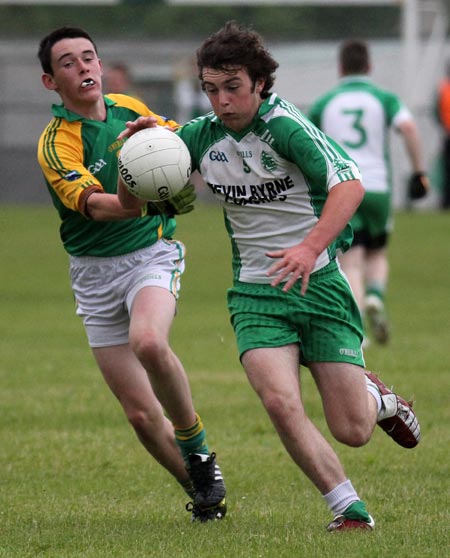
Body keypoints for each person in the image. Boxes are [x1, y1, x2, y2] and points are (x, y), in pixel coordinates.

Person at [118, 21, 421, 532]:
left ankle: (379, 399)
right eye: (211, 89)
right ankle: (348, 509)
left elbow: (349, 185)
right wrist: (137, 162)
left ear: (260, 83)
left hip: (320, 284)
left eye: (233, 87)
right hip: (256, 294)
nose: (222, 101)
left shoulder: (287, 128)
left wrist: (308, 247)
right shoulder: (199, 137)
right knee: (280, 401)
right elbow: (132, 204)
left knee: (352, 429)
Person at [36, 26, 226, 523]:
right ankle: (203, 491)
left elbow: (173, 146)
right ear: (50, 82)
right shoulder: (56, 144)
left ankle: (198, 447)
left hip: (150, 255)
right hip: (94, 277)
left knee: (148, 341)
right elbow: (100, 208)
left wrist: (166, 157)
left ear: (100, 65)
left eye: (89, 58)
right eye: (68, 63)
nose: (83, 68)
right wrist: (132, 188)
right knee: (141, 416)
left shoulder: (127, 108)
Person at [309, 39, 429, 345]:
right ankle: (375, 295)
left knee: (351, 260)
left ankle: (358, 322)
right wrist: (419, 172)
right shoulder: (384, 98)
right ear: (369, 66)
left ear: (340, 67)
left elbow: (306, 142)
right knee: (378, 251)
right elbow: (410, 128)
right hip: (377, 187)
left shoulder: (324, 102)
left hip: (341, 187)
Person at [435, 61, 450, 209]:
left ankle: (445, 201)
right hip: (447, 134)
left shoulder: (443, 89)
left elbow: (437, 112)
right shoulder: (443, 89)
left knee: (447, 170)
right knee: (446, 170)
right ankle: (445, 201)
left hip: (447, 134)